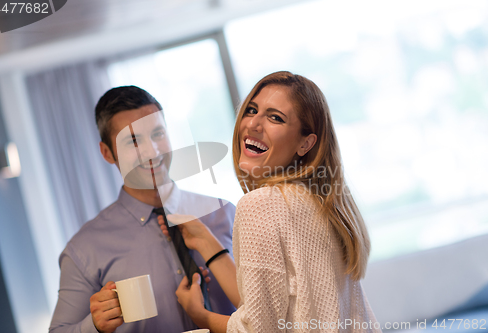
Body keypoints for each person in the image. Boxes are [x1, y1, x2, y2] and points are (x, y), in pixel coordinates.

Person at [159, 71, 381, 332]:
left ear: (305, 143)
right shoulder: (323, 204)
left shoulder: (261, 204)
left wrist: (201, 316)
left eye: (275, 117)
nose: (253, 124)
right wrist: (205, 242)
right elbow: (272, 309)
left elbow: (258, 328)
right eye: (252, 110)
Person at [49, 86, 236, 333]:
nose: (151, 151)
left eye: (157, 133)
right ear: (107, 153)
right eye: (133, 141)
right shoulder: (84, 249)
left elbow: (266, 308)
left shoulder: (225, 214)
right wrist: (92, 326)